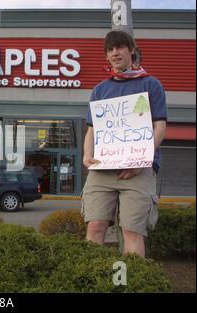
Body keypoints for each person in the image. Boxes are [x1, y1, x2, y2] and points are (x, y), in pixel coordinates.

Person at [82, 30, 167, 258]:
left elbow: (159, 126)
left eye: (119, 47)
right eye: (110, 50)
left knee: (132, 231)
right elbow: (92, 129)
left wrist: (142, 160)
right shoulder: (100, 90)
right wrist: (86, 155)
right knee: (94, 227)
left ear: (131, 51)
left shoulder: (151, 85)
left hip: (138, 171)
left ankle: (130, 283)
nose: (115, 53)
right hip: (103, 169)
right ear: (107, 56)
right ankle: (90, 280)